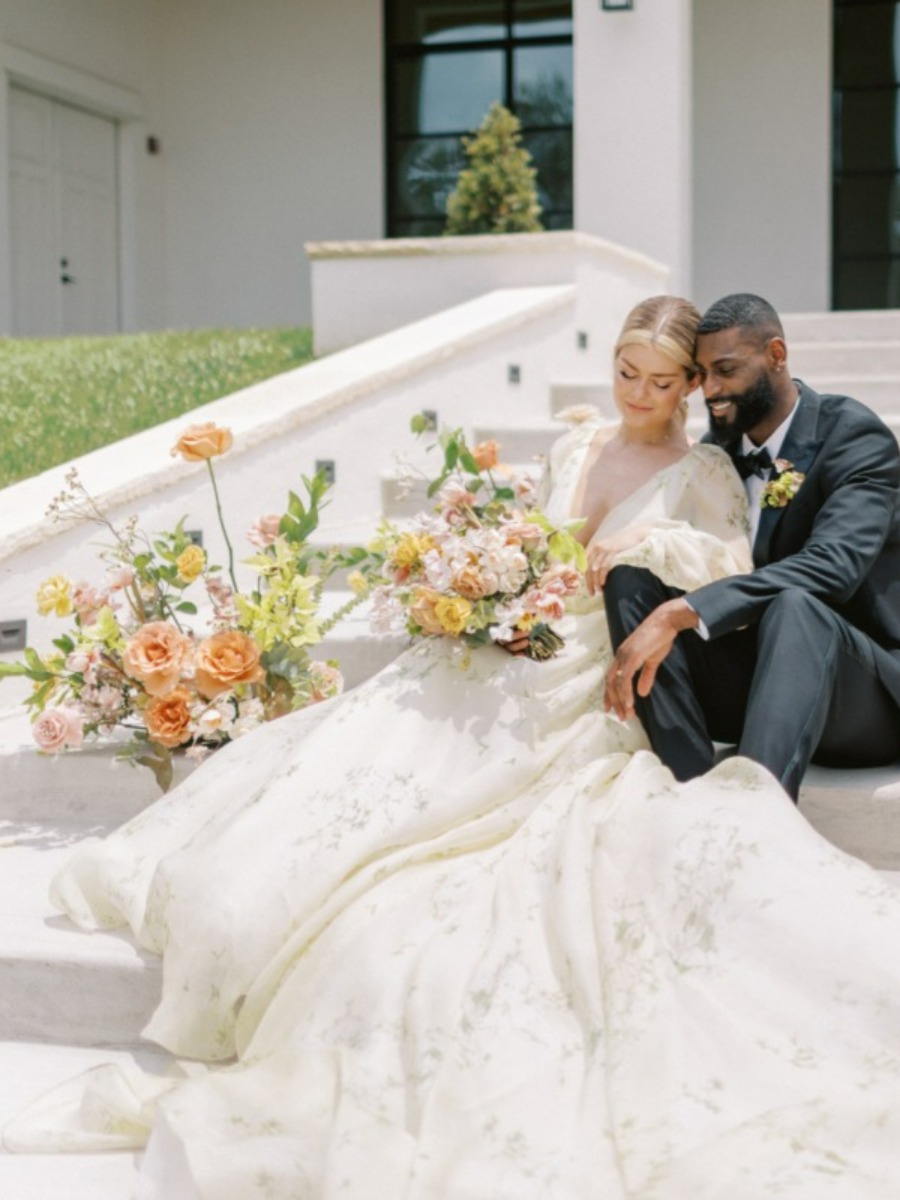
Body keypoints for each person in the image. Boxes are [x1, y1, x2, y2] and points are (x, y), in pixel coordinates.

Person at [8, 297, 900, 1200]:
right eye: (655, 374)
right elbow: (569, 542)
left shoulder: (820, 443)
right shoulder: (592, 445)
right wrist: (484, 579)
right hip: (536, 632)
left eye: (698, 378)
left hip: (855, 670)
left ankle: (751, 815)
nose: (691, 393)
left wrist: (660, 567)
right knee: (382, 743)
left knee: (758, 604)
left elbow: (761, 566)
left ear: (769, 360)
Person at [604, 293, 900, 801]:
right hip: (761, 683)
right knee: (631, 576)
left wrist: (684, 612)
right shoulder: (716, 453)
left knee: (796, 606)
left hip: (863, 700)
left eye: (727, 370)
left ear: (776, 356)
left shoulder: (854, 437)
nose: (712, 391)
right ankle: (690, 790)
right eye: (703, 375)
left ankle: (753, 818)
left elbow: (832, 568)